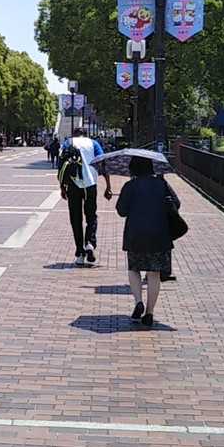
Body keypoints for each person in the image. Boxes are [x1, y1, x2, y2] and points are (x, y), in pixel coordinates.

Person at [115, 155, 178, 328]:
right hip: (159, 234)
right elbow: (176, 203)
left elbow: (121, 210)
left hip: (135, 234)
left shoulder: (130, 186)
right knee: (153, 273)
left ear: (133, 169)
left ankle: (138, 301)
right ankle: (150, 312)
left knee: (134, 269)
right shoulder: (161, 184)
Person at [58, 127, 112, 266]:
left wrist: (62, 186)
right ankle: (90, 243)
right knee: (91, 216)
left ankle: (79, 253)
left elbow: (61, 165)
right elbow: (103, 164)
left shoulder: (68, 143)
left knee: (75, 219)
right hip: (90, 184)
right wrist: (108, 186)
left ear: (74, 134)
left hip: (73, 184)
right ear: (85, 135)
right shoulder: (93, 144)